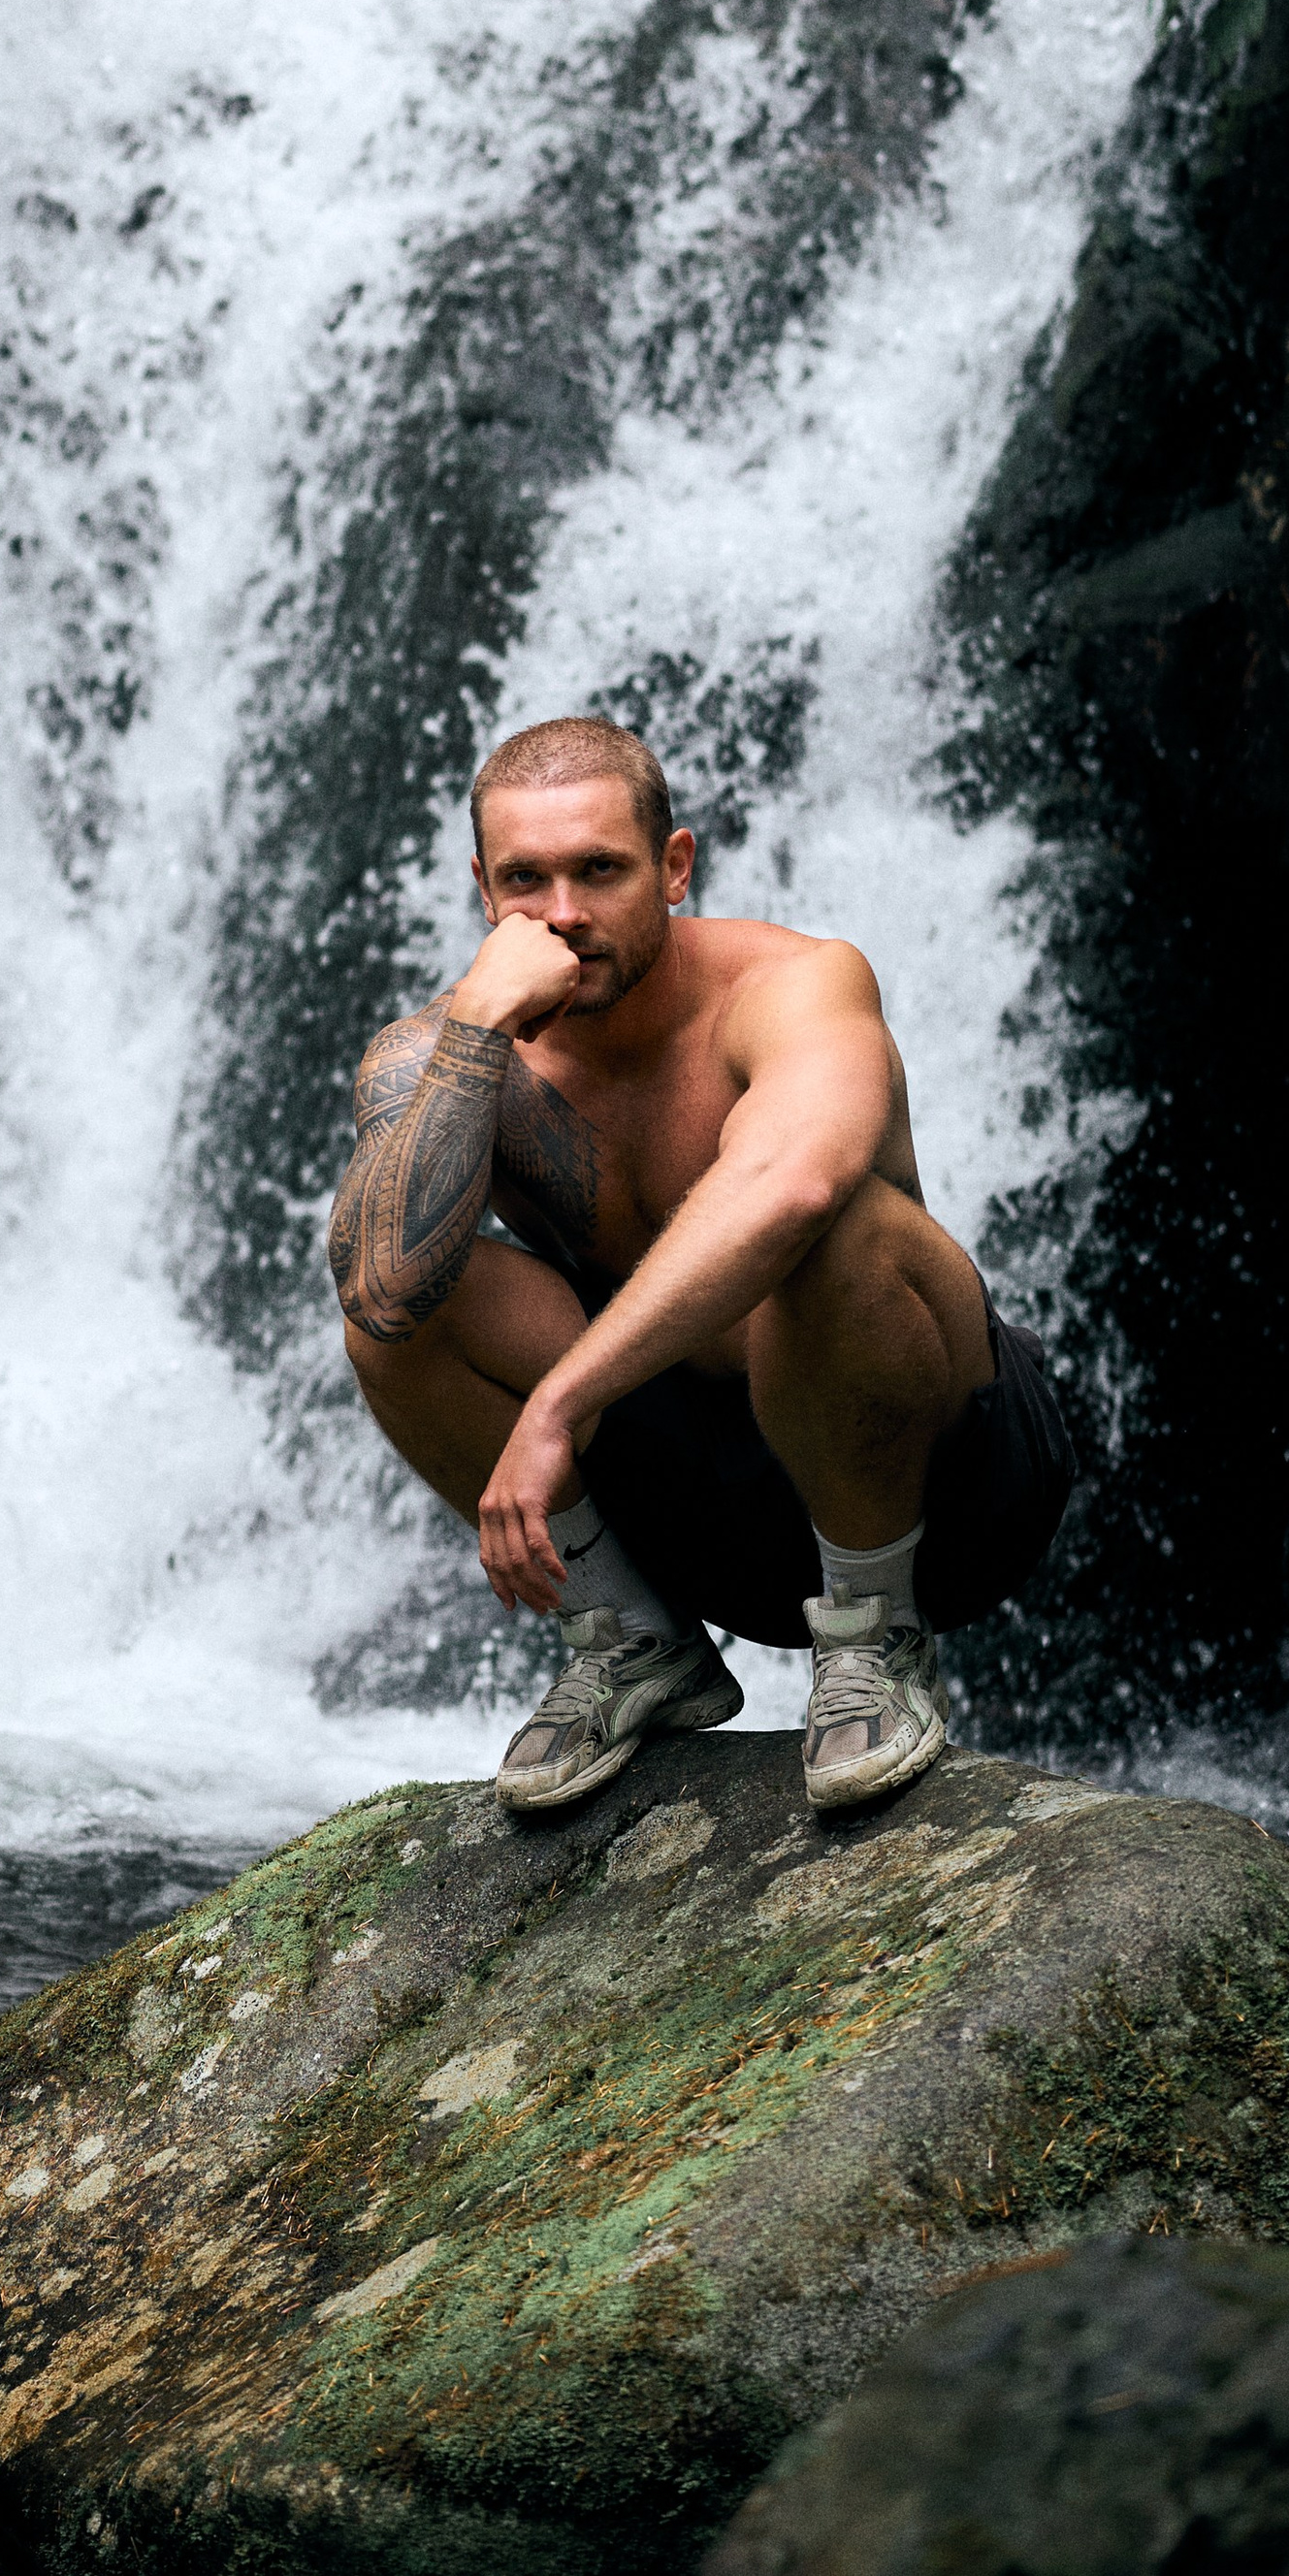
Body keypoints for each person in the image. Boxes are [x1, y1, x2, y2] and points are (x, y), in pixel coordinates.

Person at [327, 714, 1077, 1816]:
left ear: (673, 867)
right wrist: (479, 1023)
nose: (565, 914)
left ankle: (876, 1638)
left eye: (600, 871)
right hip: (700, 1506)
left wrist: (556, 1408)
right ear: (483, 889)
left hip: (936, 1482)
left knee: (837, 1230)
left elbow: (795, 1186)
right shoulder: (450, 1048)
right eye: (526, 879)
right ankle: (634, 1644)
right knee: (409, 1305)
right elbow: (383, 1297)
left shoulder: (795, 987)